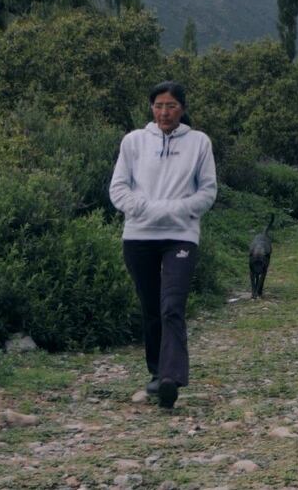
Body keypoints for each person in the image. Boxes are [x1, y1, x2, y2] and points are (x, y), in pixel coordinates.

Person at [109, 81, 217, 409]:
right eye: (158, 106)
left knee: (172, 304)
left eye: (171, 106)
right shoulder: (133, 142)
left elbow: (208, 192)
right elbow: (118, 189)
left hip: (180, 236)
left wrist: (175, 210)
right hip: (138, 236)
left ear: (182, 108)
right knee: (151, 307)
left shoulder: (199, 143)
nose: (164, 112)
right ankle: (157, 372)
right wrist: (146, 209)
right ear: (151, 108)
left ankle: (171, 378)